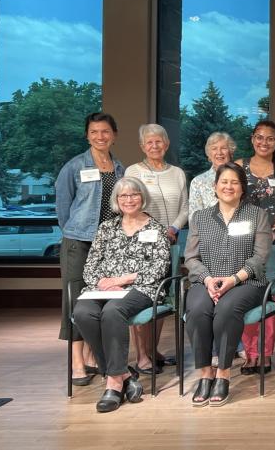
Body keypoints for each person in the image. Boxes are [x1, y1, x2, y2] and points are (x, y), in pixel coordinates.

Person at [73, 177, 171, 412]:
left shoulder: (155, 228)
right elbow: (90, 267)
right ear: (117, 200)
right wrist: (103, 283)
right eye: (123, 196)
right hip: (103, 288)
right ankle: (123, 372)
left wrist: (123, 280)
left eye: (134, 194)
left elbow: (159, 267)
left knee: (112, 312)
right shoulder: (106, 228)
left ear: (142, 197)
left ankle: (114, 383)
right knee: (82, 312)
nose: (129, 200)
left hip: (141, 288)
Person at [184, 163, 271, 407]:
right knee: (198, 310)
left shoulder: (257, 215)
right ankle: (204, 374)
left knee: (226, 309)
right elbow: (190, 258)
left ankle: (223, 372)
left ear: (242, 187)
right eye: (224, 182)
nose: (228, 186)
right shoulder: (200, 217)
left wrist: (233, 280)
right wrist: (209, 280)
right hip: (207, 281)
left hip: (246, 281)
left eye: (234, 182)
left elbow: (260, 257)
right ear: (215, 186)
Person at [55, 112, 125, 386]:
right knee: (75, 301)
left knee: (99, 300)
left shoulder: (119, 168)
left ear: (114, 135)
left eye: (105, 131)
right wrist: (77, 232)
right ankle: (76, 363)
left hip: (108, 245)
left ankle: (95, 357)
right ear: (87, 135)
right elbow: (63, 209)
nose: (100, 136)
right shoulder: (74, 166)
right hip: (79, 243)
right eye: (94, 132)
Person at [235, 120, 275, 375]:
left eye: (270, 138)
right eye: (259, 137)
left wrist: (273, 232)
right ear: (252, 138)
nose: (264, 142)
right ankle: (249, 353)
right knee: (247, 294)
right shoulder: (240, 166)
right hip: (246, 244)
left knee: (270, 296)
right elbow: (232, 199)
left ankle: (264, 354)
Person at [124, 123, 188, 374]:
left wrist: (173, 228)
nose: (154, 146)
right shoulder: (133, 172)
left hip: (171, 243)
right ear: (142, 146)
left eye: (159, 141)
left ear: (167, 144)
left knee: (163, 295)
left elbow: (186, 206)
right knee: (140, 296)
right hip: (142, 244)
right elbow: (128, 205)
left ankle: (154, 350)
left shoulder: (178, 173)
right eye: (149, 142)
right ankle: (141, 357)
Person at [189, 132, 236, 219]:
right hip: (207, 231)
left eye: (224, 148)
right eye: (214, 148)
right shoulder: (198, 182)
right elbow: (194, 217)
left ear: (231, 152)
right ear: (209, 155)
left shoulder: (240, 178)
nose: (219, 152)